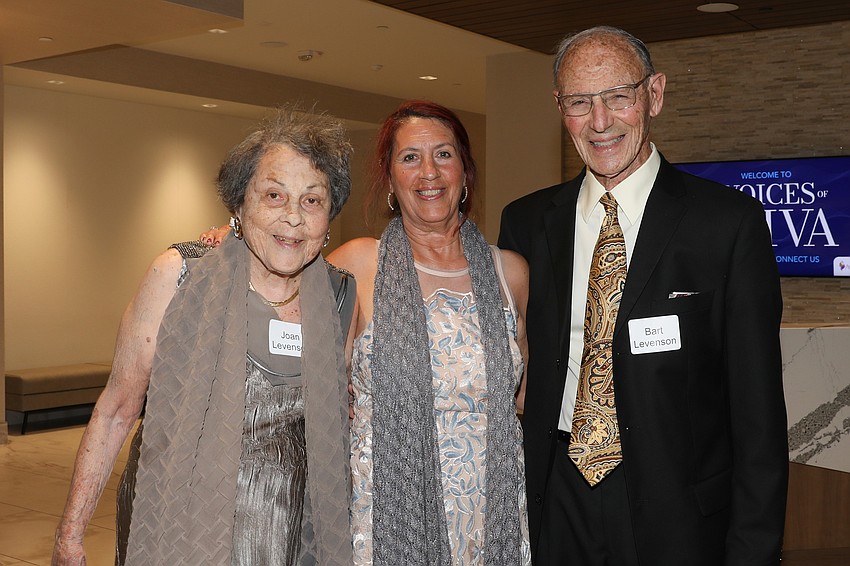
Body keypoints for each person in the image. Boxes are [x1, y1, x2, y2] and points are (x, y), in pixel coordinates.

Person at [498, 26, 788, 566]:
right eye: (579, 103)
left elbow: (758, 416)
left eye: (617, 98)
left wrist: (753, 551)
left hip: (678, 512)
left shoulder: (726, 225)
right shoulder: (526, 224)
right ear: (559, 108)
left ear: (653, 95)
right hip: (554, 499)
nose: (600, 122)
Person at [52, 107, 355, 566]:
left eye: (312, 200)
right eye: (274, 195)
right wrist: (71, 535)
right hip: (178, 522)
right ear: (238, 204)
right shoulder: (179, 276)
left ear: (329, 216)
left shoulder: (340, 298)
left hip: (289, 531)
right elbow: (116, 410)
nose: (293, 217)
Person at [327, 100, 532, 565]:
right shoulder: (359, 265)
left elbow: (524, 400)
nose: (429, 173)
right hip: (386, 516)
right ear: (390, 178)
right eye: (410, 158)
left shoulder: (510, 273)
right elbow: (312, 388)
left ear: (465, 170)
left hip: (492, 512)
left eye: (443, 154)